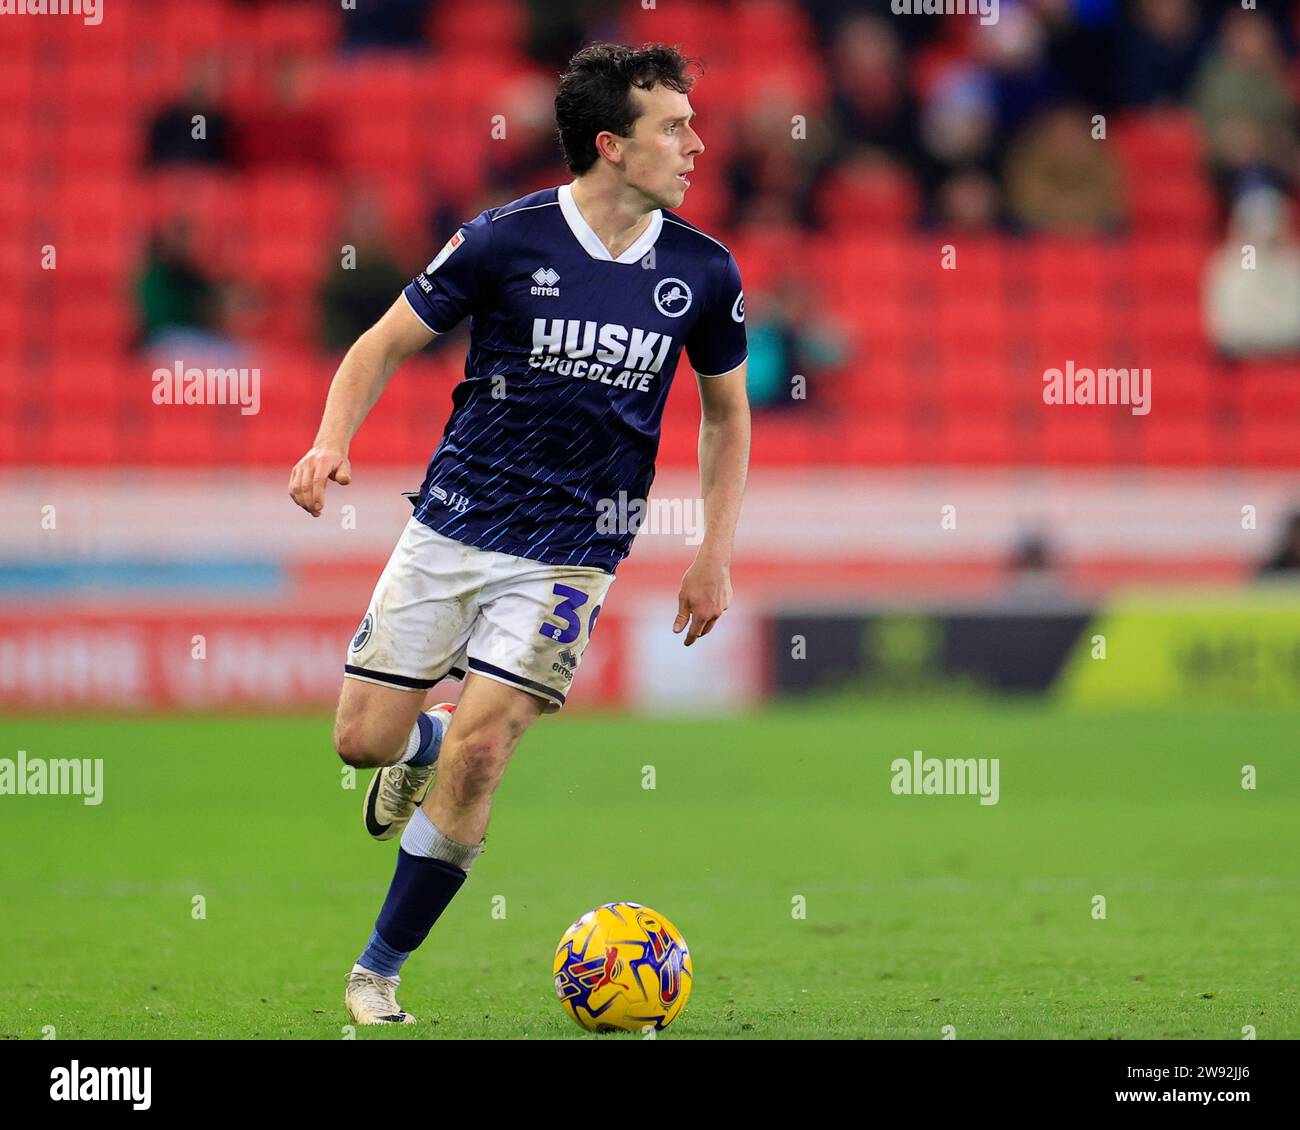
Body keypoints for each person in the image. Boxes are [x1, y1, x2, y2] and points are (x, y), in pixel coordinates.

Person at [287, 43, 750, 1025]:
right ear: (611, 146)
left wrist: (712, 551)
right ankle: (419, 737)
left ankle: (377, 971)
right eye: (672, 127)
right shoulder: (505, 240)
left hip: (575, 546)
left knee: (487, 751)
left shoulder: (703, 271)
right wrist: (330, 442)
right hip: (453, 522)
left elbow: (724, 414)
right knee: (358, 742)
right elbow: (378, 344)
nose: (694, 143)